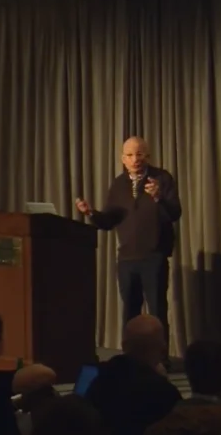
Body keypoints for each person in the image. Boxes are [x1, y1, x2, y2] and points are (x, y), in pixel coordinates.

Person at [76, 136, 181, 355]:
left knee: (157, 310)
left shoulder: (162, 178)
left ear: (148, 156)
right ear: (123, 159)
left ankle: (160, 358)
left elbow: (174, 213)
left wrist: (158, 197)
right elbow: (109, 221)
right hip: (126, 259)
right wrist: (91, 213)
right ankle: (130, 358)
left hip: (154, 256)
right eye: (130, 155)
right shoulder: (118, 184)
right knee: (130, 313)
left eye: (139, 154)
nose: (135, 159)